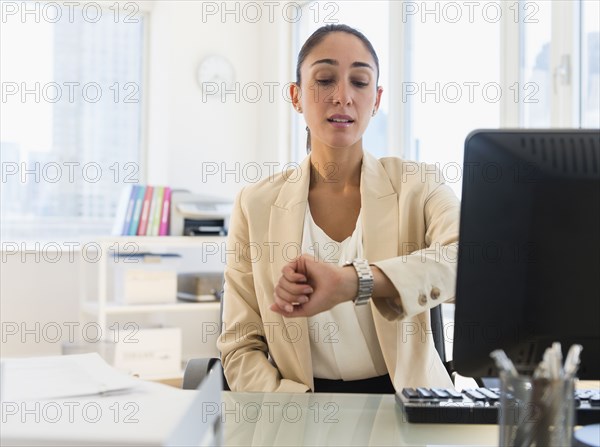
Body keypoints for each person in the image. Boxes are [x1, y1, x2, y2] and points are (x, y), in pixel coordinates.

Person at [217, 24, 460, 393]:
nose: (343, 96)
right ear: (296, 97)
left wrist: (356, 282)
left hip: (408, 404)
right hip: (301, 407)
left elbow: (471, 261)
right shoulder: (256, 204)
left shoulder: (418, 184)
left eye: (359, 82)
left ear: (376, 100)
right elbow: (239, 346)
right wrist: (291, 410)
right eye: (325, 79)